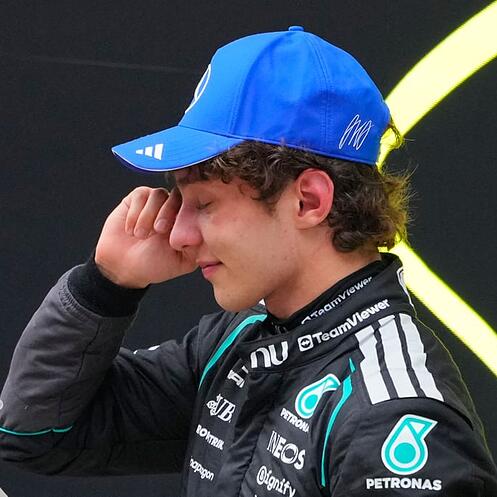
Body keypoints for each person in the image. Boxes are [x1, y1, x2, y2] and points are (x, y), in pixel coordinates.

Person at [0, 26, 496, 497]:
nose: (177, 233)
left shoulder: (396, 416)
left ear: (308, 200)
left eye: (204, 203)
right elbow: (36, 434)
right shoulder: (237, 341)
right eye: (179, 202)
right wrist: (106, 286)